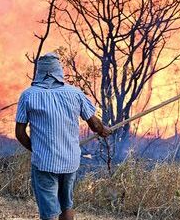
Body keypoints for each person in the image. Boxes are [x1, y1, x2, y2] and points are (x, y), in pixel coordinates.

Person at [14, 52, 109, 220]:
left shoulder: (28, 95)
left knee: (49, 213)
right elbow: (95, 125)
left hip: (44, 163)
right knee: (66, 205)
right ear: (59, 71)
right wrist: (103, 130)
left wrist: (37, 150)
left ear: (39, 72)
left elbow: (20, 134)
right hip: (70, 161)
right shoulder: (75, 93)